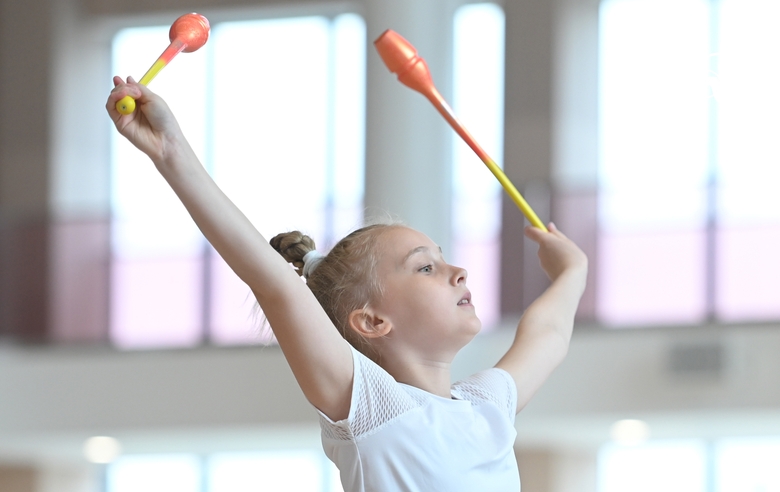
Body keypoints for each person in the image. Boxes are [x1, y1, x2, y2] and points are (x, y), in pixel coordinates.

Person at [107, 76, 588, 492]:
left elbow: (549, 333)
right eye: (425, 267)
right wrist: (171, 154)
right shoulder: (374, 407)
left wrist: (573, 269)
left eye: (441, 260)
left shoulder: (487, 406)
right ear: (372, 321)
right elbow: (275, 284)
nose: (457, 271)